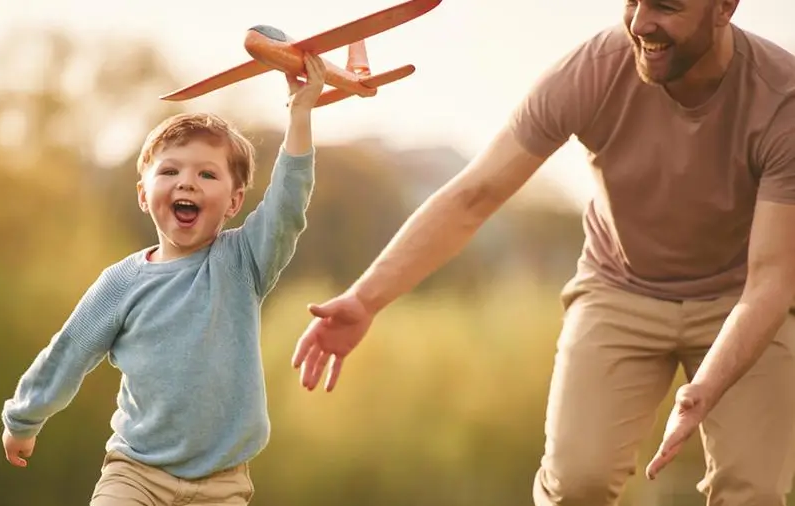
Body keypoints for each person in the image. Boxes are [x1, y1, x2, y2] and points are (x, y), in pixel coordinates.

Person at [291, 0, 795, 504]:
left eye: (665, 6)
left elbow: (770, 283)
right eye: (633, 1)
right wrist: (365, 298)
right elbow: (474, 195)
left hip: (739, 301)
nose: (642, 23)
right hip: (620, 289)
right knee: (576, 482)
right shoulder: (592, 71)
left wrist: (703, 389)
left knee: (750, 490)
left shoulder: (780, 100)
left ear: (725, 7)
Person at [0, 53, 326, 505]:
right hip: (135, 474)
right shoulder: (121, 284)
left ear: (233, 202)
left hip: (222, 484)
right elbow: (70, 349)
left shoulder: (242, 262)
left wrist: (300, 114)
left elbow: (288, 205)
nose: (186, 183)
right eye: (170, 171)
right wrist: (23, 418)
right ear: (144, 193)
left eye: (206, 174)